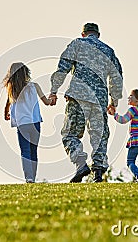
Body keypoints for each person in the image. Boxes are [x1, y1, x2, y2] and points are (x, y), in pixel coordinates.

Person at [50, 23, 124, 183]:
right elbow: (117, 77)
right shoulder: (108, 51)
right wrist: (114, 101)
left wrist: (54, 90)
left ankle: (80, 164)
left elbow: (63, 66)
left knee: (70, 134)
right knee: (99, 136)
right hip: (99, 100)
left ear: (83, 34)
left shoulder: (77, 44)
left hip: (78, 96)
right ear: (98, 35)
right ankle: (98, 172)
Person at [3, 62, 52, 183]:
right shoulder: (34, 86)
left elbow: (7, 104)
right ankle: (33, 178)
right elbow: (46, 102)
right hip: (35, 123)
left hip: (22, 124)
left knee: (25, 151)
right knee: (33, 150)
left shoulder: (12, 89)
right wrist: (52, 100)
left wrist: (6, 113)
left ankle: (29, 178)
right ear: (26, 73)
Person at [107, 89, 138, 182]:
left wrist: (114, 114)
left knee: (130, 162)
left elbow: (123, 120)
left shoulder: (133, 110)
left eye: (131, 96)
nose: (129, 97)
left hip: (137, 140)